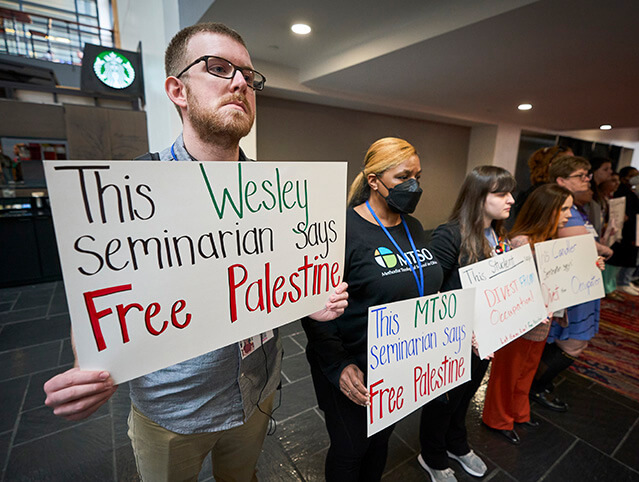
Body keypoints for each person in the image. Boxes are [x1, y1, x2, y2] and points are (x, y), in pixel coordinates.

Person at [43, 23, 349, 482]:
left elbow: (273, 282)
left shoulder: (279, 196)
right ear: (177, 90)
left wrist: (313, 300)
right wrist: (87, 368)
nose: (241, 83)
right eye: (219, 68)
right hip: (173, 410)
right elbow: (101, 305)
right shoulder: (128, 193)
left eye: (248, 74)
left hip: (257, 392)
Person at [302, 137, 443, 481]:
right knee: (351, 449)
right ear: (373, 180)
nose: (414, 186)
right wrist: (338, 365)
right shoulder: (341, 230)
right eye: (403, 177)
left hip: (397, 360)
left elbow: (423, 288)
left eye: (418, 177)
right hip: (352, 363)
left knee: (380, 440)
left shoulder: (414, 227)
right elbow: (315, 307)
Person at [418, 166, 516, 478]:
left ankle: (456, 444)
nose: (511, 199)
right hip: (453, 338)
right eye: (501, 193)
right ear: (478, 197)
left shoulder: (497, 235)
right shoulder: (449, 235)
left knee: (466, 394)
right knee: (443, 401)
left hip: (484, 338)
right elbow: (430, 293)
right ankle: (432, 457)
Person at [482, 184, 574, 444]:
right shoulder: (522, 242)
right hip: (518, 321)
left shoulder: (551, 242)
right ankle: (497, 418)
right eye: (564, 209)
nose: (569, 214)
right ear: (547, 210)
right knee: (508, 372)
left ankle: (518, 412)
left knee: (527, 370)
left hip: (541, 321)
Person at [529, 156, 612, 411]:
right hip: (570, 285)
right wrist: (598, 250)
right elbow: (584, 245)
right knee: (572, 342)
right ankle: (535, 387)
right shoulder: (563, 210)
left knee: (566, 340)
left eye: (588, 175)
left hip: (578, 282)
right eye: (580, 176)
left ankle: (535, 386)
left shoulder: (577, 207)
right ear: (561, 181)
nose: (587, 180)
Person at [608, 167, 639, 296]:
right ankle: (613, 285)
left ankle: (617, 283)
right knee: (616, 258)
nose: (637, 177)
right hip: (625, 229)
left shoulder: (632, 191)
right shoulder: (622, 192)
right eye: (633, 175)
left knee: (624, 259)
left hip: (633, 227)